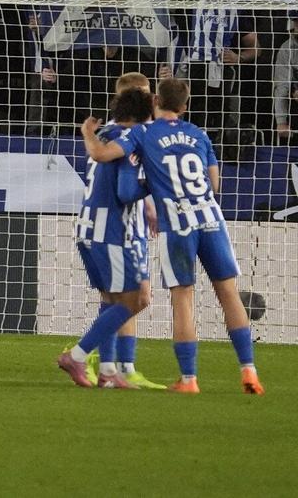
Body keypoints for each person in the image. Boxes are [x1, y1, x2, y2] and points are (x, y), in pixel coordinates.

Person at [81, 77, 264, 395]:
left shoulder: (143, 132)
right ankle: (249, 370)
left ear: (155, 101)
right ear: (185, 105)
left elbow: (103, 156)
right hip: (211, 220)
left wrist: (88, 134)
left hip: (176, 225)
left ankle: (189, 378)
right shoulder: (199, 134)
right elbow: (214, 185)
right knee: (230, 295)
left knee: (183, 300)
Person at [57, 84, 154, 390]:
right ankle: (78, 354)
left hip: (87, 228)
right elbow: (126, 191)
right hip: (111, 232)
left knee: (112, 299)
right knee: (137, 299)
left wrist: (86, 132)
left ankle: (109, 370)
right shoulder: (132, 140)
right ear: (145, 115)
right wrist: (152, 188)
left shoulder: (105, 134)